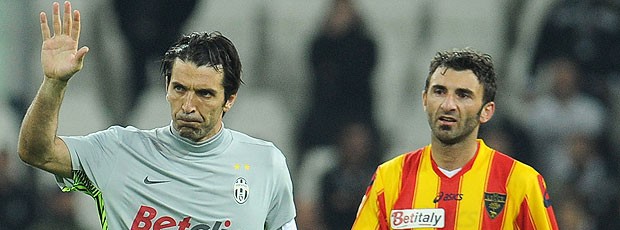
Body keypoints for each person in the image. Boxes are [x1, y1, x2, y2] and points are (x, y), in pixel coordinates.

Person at [17, 2, 297, 230]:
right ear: (167, 88)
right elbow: (36, 152)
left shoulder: (265, 164)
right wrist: (54, 83)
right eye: (179, 89)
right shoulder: (118, 151)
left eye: (204, 94)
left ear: (230, 99)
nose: (188, 105)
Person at [352, 48, 559, 229]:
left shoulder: (521, 182)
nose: (448, 105)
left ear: (486, 111)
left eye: (463, 95)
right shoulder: (389, 178)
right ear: (425, 100)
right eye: (439, 92)